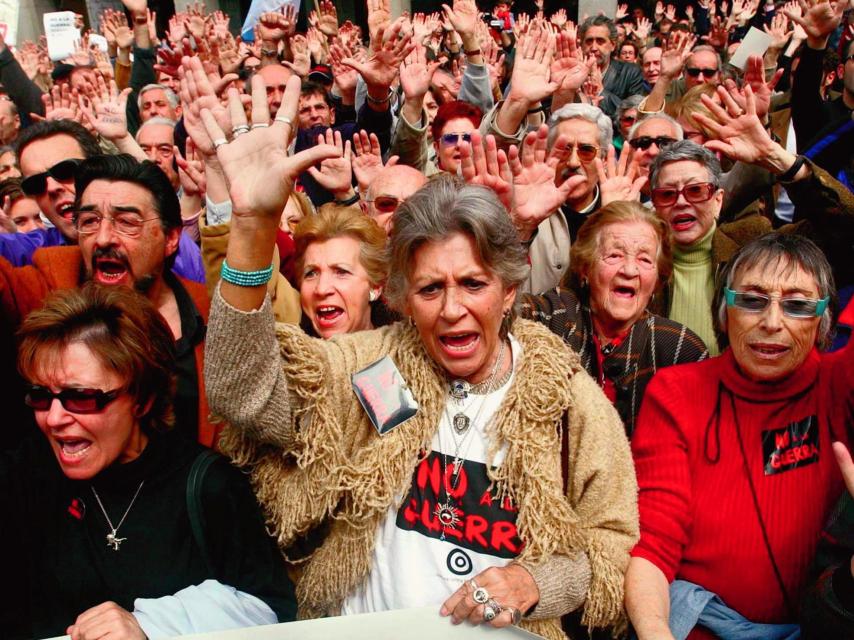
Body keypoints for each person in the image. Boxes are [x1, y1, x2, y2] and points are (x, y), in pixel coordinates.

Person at [201, 75, 637, 638]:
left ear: (508, 292)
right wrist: (253, 225)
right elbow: (242, 394)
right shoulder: (367, 368)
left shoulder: (564, 397)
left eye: (473, 284)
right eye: (431, 290)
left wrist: (537, 583)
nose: (452, 309)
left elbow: (611, 539)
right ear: (403, 299)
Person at [0, 283, 296, 639]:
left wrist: (151, 624)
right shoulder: (25, 477)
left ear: (141, 398)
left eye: (80, 398)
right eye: (41, 396)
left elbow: (272, 611)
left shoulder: (207, 486)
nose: (55, 417)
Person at [626, 233, 854, 639]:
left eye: (798, 305)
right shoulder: (677, 392)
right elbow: (655, 544)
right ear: (724, 311)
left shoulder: (839, 385)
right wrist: (654, 630)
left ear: (823, 319)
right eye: (751, 300)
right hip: (702, 625)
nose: (771, 322)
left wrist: (797, 171)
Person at [0, 154, 217, 448]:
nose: (103, 239)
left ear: (170, 238)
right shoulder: (52, 283)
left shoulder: (209, 310)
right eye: (89, 221)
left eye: (127, 222)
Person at [520, 201, 708, 436]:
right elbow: (496, 313)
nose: (629, 270)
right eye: (614, 255)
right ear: (585, 269)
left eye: (645, 260)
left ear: (658, 279)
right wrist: (521, 230)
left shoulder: (680, 349)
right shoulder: (555, 316)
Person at [293, 205, 387, 338]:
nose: (321, 289)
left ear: (376, 286)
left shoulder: (406, 354)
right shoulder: (284, 356)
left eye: (341, 272)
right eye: (311, 273)